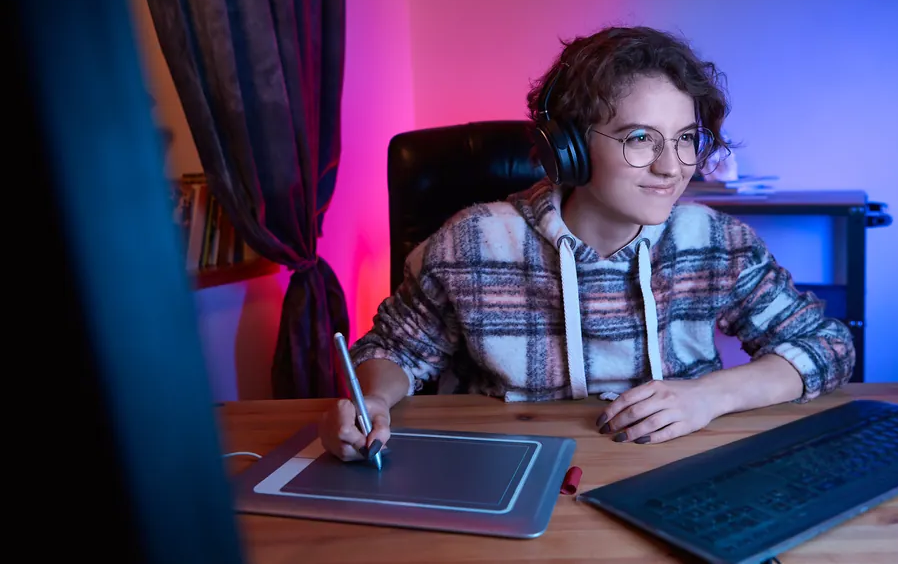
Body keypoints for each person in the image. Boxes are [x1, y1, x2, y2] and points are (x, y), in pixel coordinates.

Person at [319, 25, 855, 462]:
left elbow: (829, 347)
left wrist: (710, 396)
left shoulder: (714, 241)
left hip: (674, 471)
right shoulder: (472, 242)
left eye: (686, 139)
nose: (673, 167)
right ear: (568, 149)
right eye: (640, 138)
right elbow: (391, 351)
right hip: (509, 472)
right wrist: (372, 401)